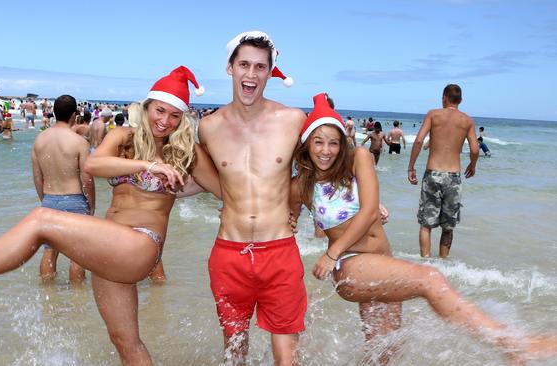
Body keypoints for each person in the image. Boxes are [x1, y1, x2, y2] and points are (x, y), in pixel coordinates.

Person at [0, 67, 222, 366]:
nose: (165, 121)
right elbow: (94, 165)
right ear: (147, 106)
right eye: (160, 110)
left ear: (183, 119)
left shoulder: (185, 152)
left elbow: (225, 190)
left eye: (175, 115)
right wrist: (146, 166)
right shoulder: (125, 136)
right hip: (111, 253)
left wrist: (206, 195)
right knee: (126, 343)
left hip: (141, 245)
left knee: (42, 220)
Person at [290, 93, 557, 364]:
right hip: (349, 265)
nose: (326, 150)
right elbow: (283, 227)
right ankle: (511, 346)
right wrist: (325, 258)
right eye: (318, 142)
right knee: (430, 279)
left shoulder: (358, 158)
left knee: (384, 351)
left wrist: (371, 211)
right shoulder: (299, 185)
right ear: (306, 144)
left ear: (342, 144)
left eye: (333, 143)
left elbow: (369, 208)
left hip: (382, 261)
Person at [198, 31, 306, 365]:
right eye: (244, 64)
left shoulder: (292, 120)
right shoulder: (208, 127)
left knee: (286, 359)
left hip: (280, 252)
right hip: (229, 254)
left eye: (260, 67)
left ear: (270, 73)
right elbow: (197, 178)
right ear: (230, 68)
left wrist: (361, 204)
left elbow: (323, 167)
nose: (251, 74)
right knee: (234, 354)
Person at [407, 84, 479, 258]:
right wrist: (472, 165)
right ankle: (443, 265)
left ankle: (426, 263)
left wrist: (411, 167)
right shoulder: (467, 120)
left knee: (426, 224)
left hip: (432, 173)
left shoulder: (433, 114)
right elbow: (475, 150)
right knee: (448, 227)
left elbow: (418, 141)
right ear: (460, 100)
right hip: (453, 177)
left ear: (443, 98)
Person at [33, 95, 95, 284]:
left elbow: (37, 176)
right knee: (78, 254)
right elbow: (87, 179)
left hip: (50, 199)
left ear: (54, 113)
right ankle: (78, 298)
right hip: (75, 199)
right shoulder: (79, 142)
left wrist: (44, 199)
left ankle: (48, 294)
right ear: (75, 115)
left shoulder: (39, 140)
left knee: (50, 251)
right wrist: (91, 205)